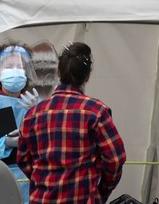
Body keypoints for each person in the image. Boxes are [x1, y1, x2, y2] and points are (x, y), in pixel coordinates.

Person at [17, 42, 127, 204]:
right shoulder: (95, 111)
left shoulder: (33, 114)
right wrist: (101, 192)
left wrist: (45, 181)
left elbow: (23, 160)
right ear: (87, 76)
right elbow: (115, 159)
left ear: (58, 72)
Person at [0, 42, 39, 203]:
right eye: (9, 66)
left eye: (19, 66)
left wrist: (39, 115)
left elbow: (51, 148)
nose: (15, 70)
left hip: (29, 187)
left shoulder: (37, 106)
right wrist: (3, 143)